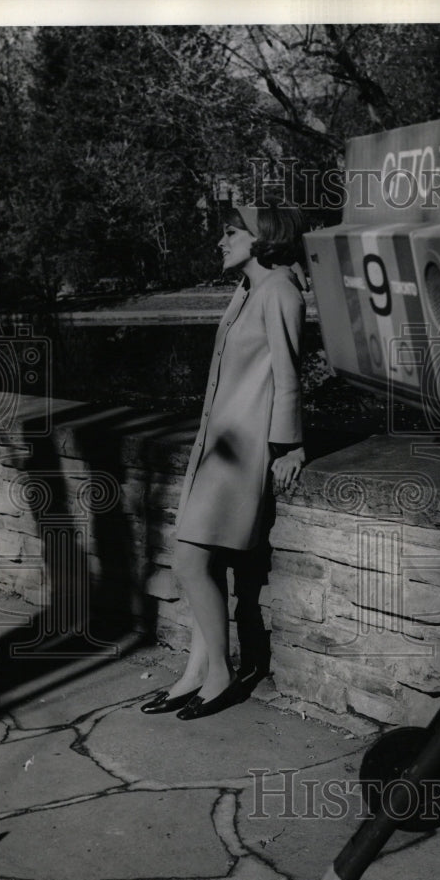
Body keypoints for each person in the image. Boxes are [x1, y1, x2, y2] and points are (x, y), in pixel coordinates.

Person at [141, 202, 307, 720]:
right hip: (216, 447)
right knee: (201, 565)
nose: (221, 241)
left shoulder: (279, 289)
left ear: (263, 238)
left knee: (190, 563)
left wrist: (289, 445)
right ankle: (194, 674)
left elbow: (288, 373)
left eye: (231, 232)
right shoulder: (247, 290)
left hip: (243, 452)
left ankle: (220, 674)